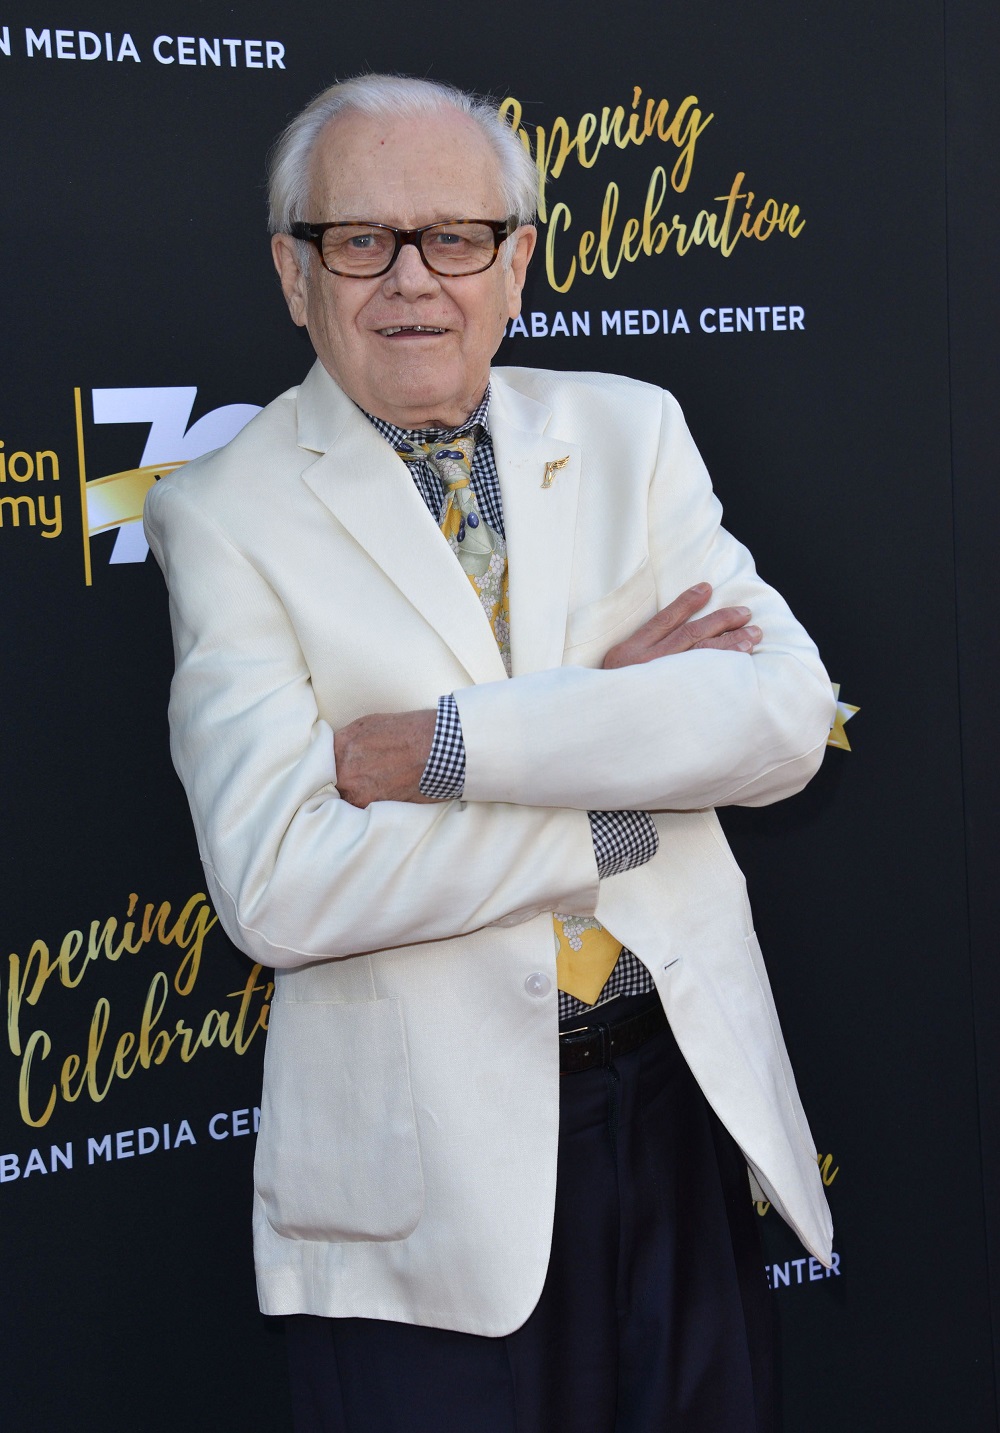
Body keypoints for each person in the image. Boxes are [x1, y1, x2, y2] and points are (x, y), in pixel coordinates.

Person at [144, 73, 835, 1433]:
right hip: (425, 1199)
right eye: (361, 239)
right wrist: (612, 795)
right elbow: (281, 883)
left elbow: (781, 719)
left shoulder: (632, 434)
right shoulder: (220, 511)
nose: (414, 280)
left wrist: (446, 747)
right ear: (296, 273)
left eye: (456, 236)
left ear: (518, 262)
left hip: (679, 1104)